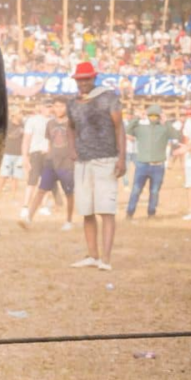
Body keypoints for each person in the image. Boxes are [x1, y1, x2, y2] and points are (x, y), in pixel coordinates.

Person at [67, 61, 126, 271]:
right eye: (79, 80)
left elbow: (119, 128)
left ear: (93, 78)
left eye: (85, 79)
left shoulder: (109, 98)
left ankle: (106, 259)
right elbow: (70, 128)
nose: (82, 83)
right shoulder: (72, 103)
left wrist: (122, 158)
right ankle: (92, 255)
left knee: (106, 210)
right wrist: (72, 148)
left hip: (106, 159)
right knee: (87, 210)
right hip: (82, 162)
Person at [21, 96, 76, 229]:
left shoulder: (72, 123)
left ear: (67, 107)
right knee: (41, 190)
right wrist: (49, 154)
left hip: (67, 162)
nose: (58, 109)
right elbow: (50, 141)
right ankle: (28, 218)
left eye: (62, 106)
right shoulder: (50, 124)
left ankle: (68, 221)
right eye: (56, 106)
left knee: (69, 193)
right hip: (51, 162)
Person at [124, 103, 181, 220]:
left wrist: (167, 122)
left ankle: (151, 213)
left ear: (159, 116)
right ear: (148, 116)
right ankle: (129, 213)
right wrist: (138, 118)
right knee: (136, 190)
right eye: (151, 115)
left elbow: (176, 135)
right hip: (142, 165)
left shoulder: (164, 129)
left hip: (158, 166)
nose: (153, 118)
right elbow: (127, 130)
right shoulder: (141, 128)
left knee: (154, 191)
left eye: (156, 116)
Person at [20, 100, 57, 217]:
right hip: (36, 153)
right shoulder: (33, 120)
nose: (49, 109)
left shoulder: (54, 121)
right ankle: (25, 206)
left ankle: (44, 206)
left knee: (47, 181)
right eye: (47, 106)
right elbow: (26, 139)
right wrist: (25, 156)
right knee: (32, 181)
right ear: (41, 107)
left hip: (50, 154)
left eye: (51, 106)